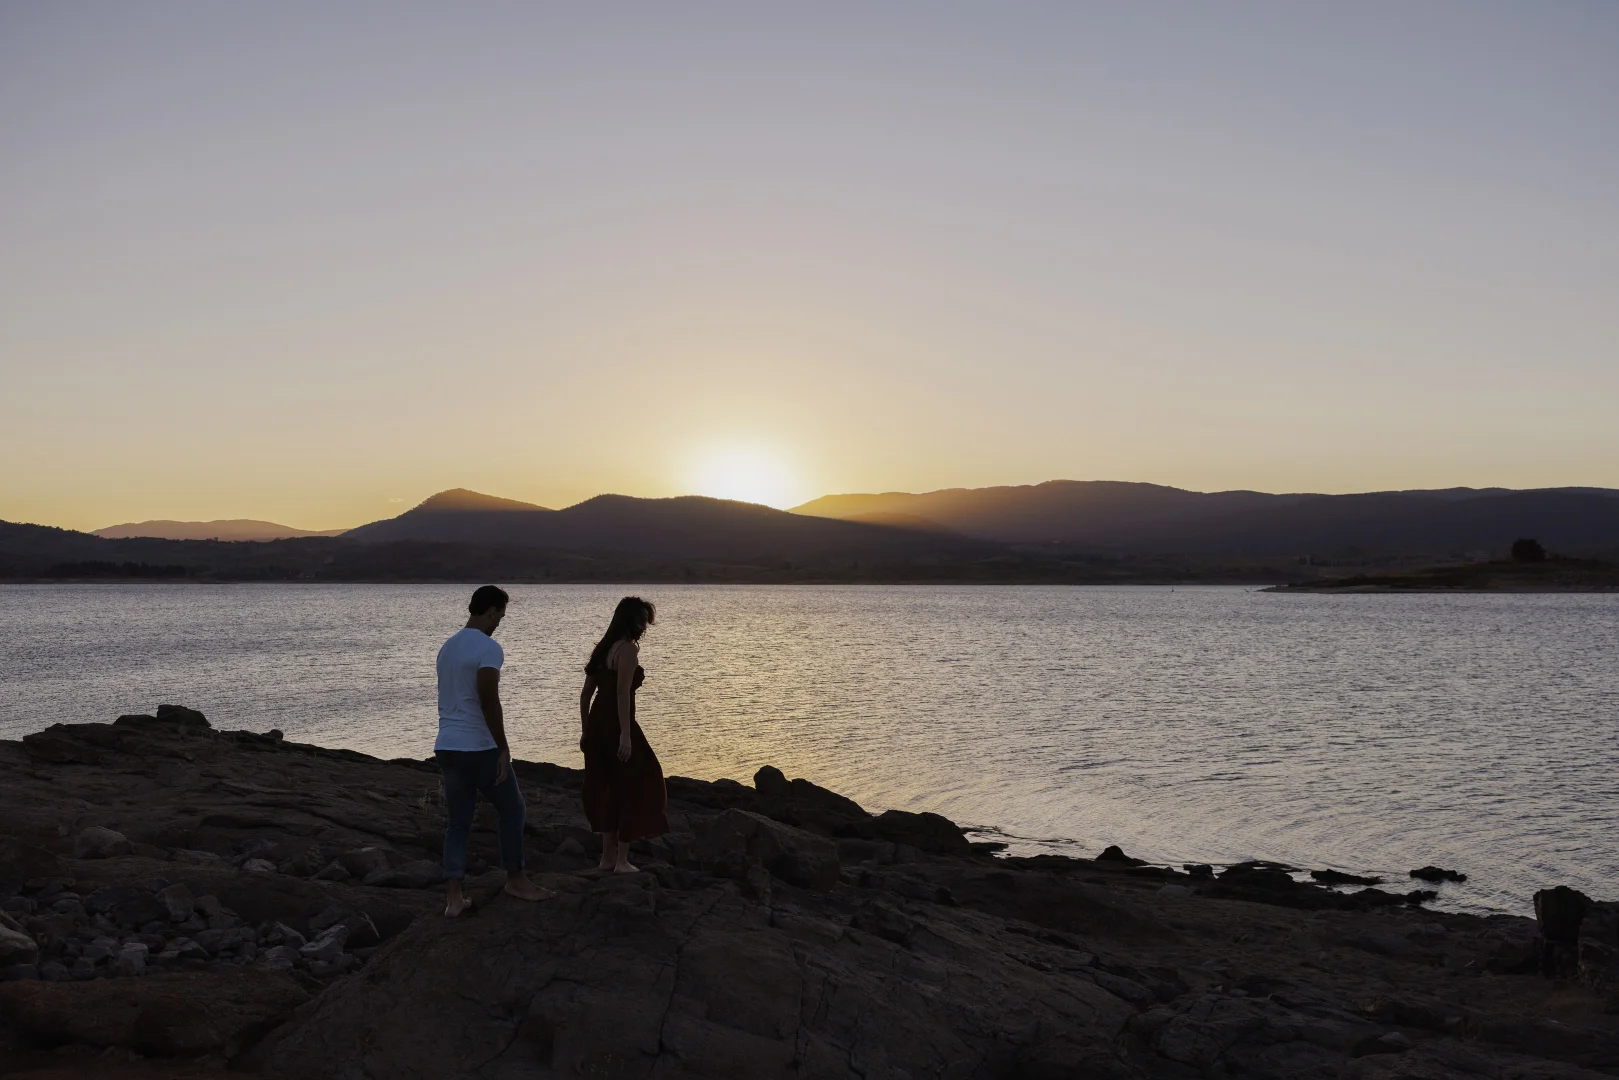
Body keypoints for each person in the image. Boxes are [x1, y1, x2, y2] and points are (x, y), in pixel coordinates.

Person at [435, 585, 551, 916]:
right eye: (500, 614)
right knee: (512, 810)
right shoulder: (488, 648)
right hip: (478, 747)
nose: (500, 621)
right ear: (490, 611)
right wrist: (503, 747)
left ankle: (454, 899)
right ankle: (516, 879)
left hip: (447, 746)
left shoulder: (447, 647)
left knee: (458, 822)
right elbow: (488, 698)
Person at [579, 596, 668, 872]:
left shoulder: (602, 649)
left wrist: (585, 731)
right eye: (640, 620)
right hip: (618, 723)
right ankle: (621, 861)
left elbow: (585, 696)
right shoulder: (627, 651)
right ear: (627, 620)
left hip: (597, 722)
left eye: (646, 620)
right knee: (637, 783)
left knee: (609, 787)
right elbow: (621, 693)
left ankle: (606, 858)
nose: (643, 626)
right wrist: (626, 736)